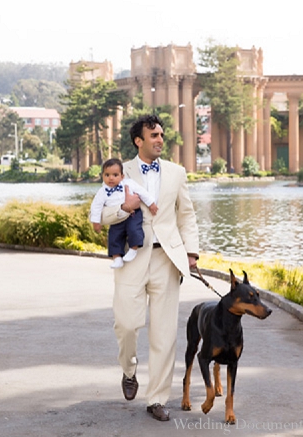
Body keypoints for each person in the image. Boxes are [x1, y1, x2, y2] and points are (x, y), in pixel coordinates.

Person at [99, 114, 199, 422]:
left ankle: (157, 398)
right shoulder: (119, 170)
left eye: (161, 135)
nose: (159, 140)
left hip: (167, 258)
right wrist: (124, 208)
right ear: (138, 141)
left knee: (164, 334)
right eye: (153, 135)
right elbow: (103, 214)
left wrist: (191, 252)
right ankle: (129, 370)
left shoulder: (176, 172)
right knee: (126, 324)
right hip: (132, 256)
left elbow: (187, 215)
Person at [90, 158, 158, 269]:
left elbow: (142, 193)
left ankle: (133, 248)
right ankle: (117, 258)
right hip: (117, 218)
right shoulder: (102, 192)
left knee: (134, 229)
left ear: (122, 176)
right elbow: (96, 207)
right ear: (103, 176)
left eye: (115, 175)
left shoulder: (129, 184)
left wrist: (151, 204)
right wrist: (96, 222)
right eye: (107, 175)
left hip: (133, 214)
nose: (111, 178)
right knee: (114, 236)